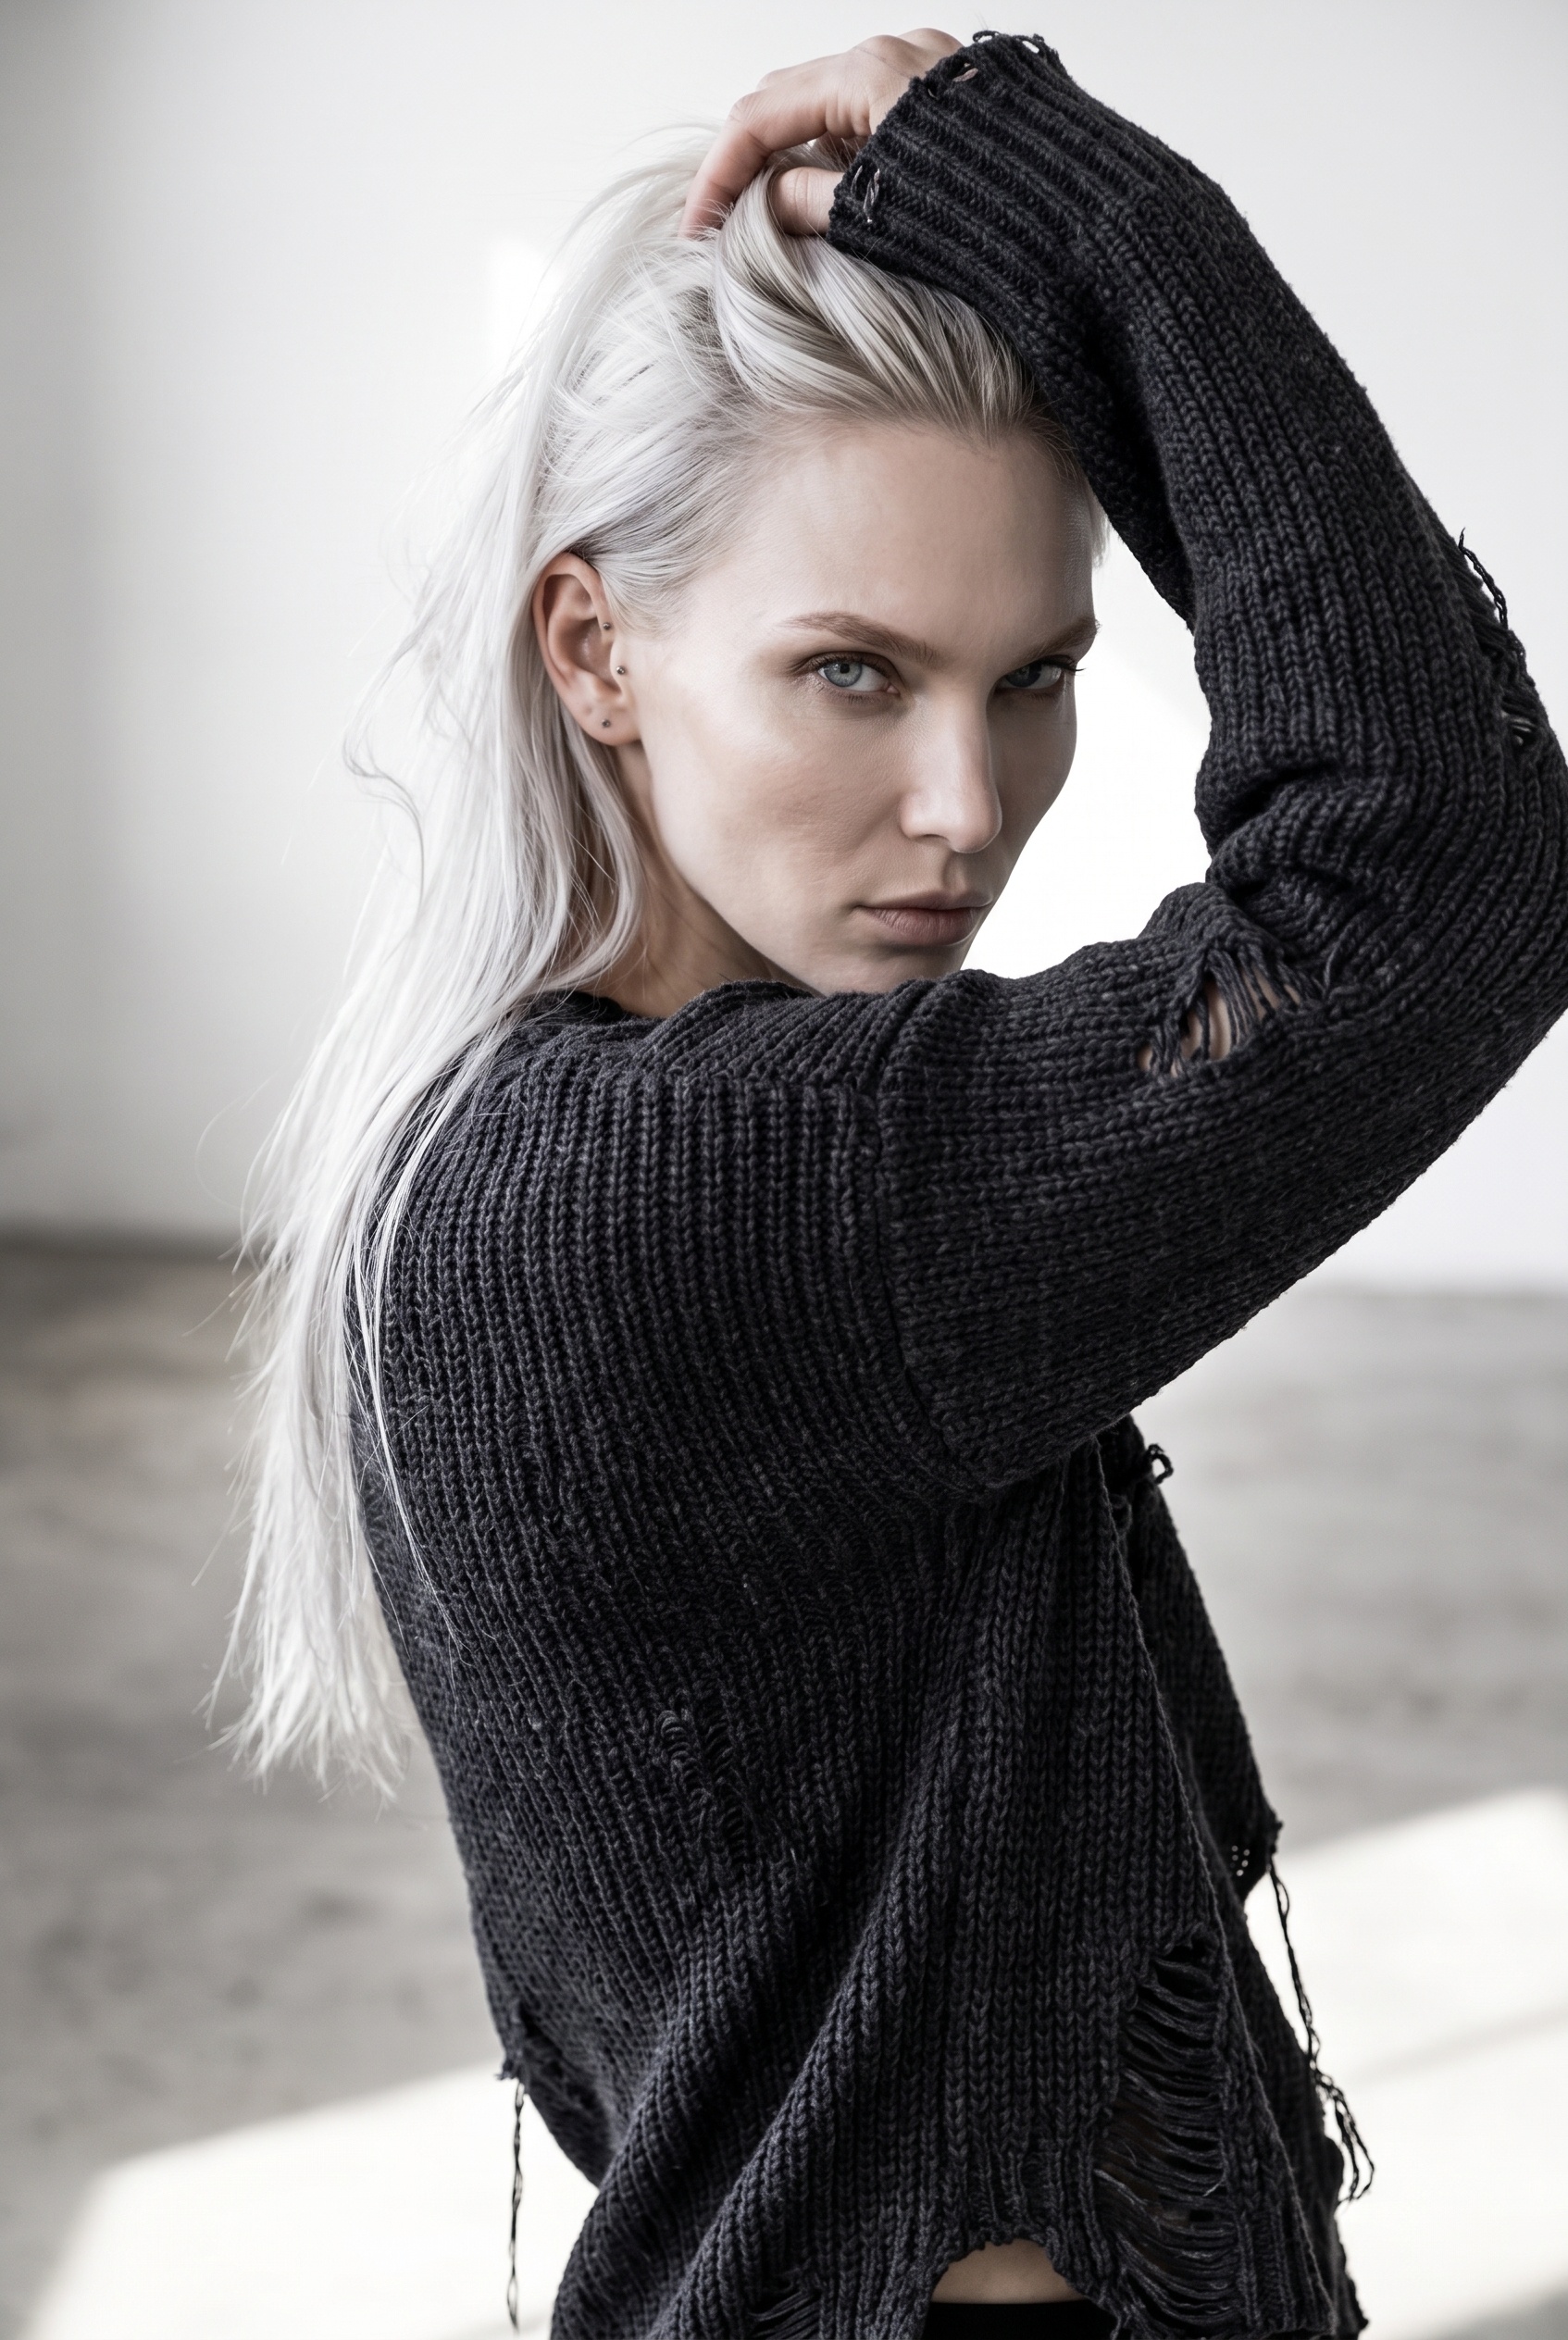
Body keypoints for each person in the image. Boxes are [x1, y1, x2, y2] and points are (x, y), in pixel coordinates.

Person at [228, 29, 1568, 2340]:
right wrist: (1103, 220)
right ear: (597, 648)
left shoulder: (502, 1143)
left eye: (1032, 676)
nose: (970, 806)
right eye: (853, 673)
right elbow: (1435, 867)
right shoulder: (712, 1195)